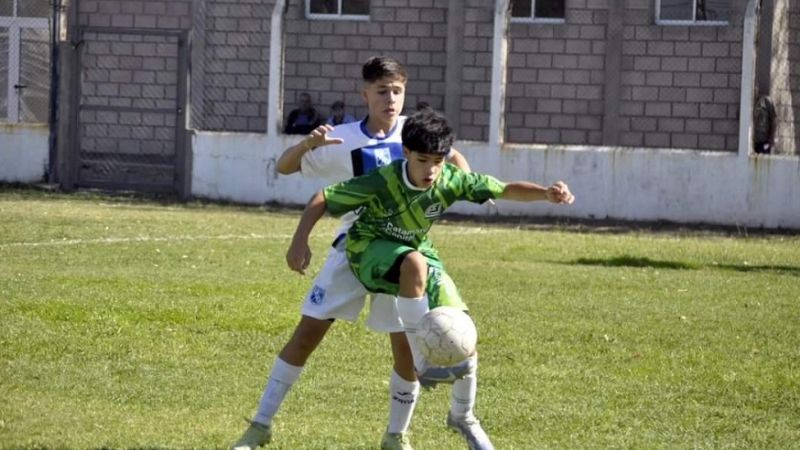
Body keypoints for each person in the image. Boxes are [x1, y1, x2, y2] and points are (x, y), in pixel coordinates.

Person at [286, 110, 575, 448]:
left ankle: (463, 416)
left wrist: (545, 193)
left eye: (437, 161)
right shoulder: (384, 179)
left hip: (415, 249)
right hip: (368, 248)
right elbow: (323, 197)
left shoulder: (450, 179)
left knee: (460, 324)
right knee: (414, 265)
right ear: (406, 152)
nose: (431, 170)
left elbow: (505, 187)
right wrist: (299, 240)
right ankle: (421, 359)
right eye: (423, 160)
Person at [231, 56, 475, 450]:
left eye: (397, 91)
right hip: (354, 248)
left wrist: (458, 182)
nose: (390, 99)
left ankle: (396, 436)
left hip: (401, 252)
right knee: (307, 332)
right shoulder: (343, 137)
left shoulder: (414, 135)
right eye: (382, 91)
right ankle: (259, 425)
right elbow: (285, 167)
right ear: (365, 94)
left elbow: (455, 161)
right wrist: (310, 143)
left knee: (404, 345)